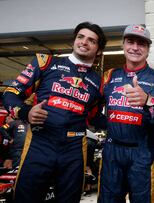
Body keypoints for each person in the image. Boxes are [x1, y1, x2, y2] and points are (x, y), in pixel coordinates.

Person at [2, 21, 107, 203]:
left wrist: (130, 123)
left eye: (91, 40)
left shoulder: (99, 83)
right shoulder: (46, 63)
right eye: (80, 37)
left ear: (98, 50)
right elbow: (11, 94)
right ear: (74, 40)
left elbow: (96, 117)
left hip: (74, 149)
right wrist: (26, 112)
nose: (84, 42)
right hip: (40, 143)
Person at [98, 24, 154, 203]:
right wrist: (109, 123)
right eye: (130, 42)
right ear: (123, 45)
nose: (135, 47)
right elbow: (91, 108)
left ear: (148, 49)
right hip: (111, 152)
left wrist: (148, 100)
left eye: (141, 43)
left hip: (142, 154)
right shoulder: (109, 77)